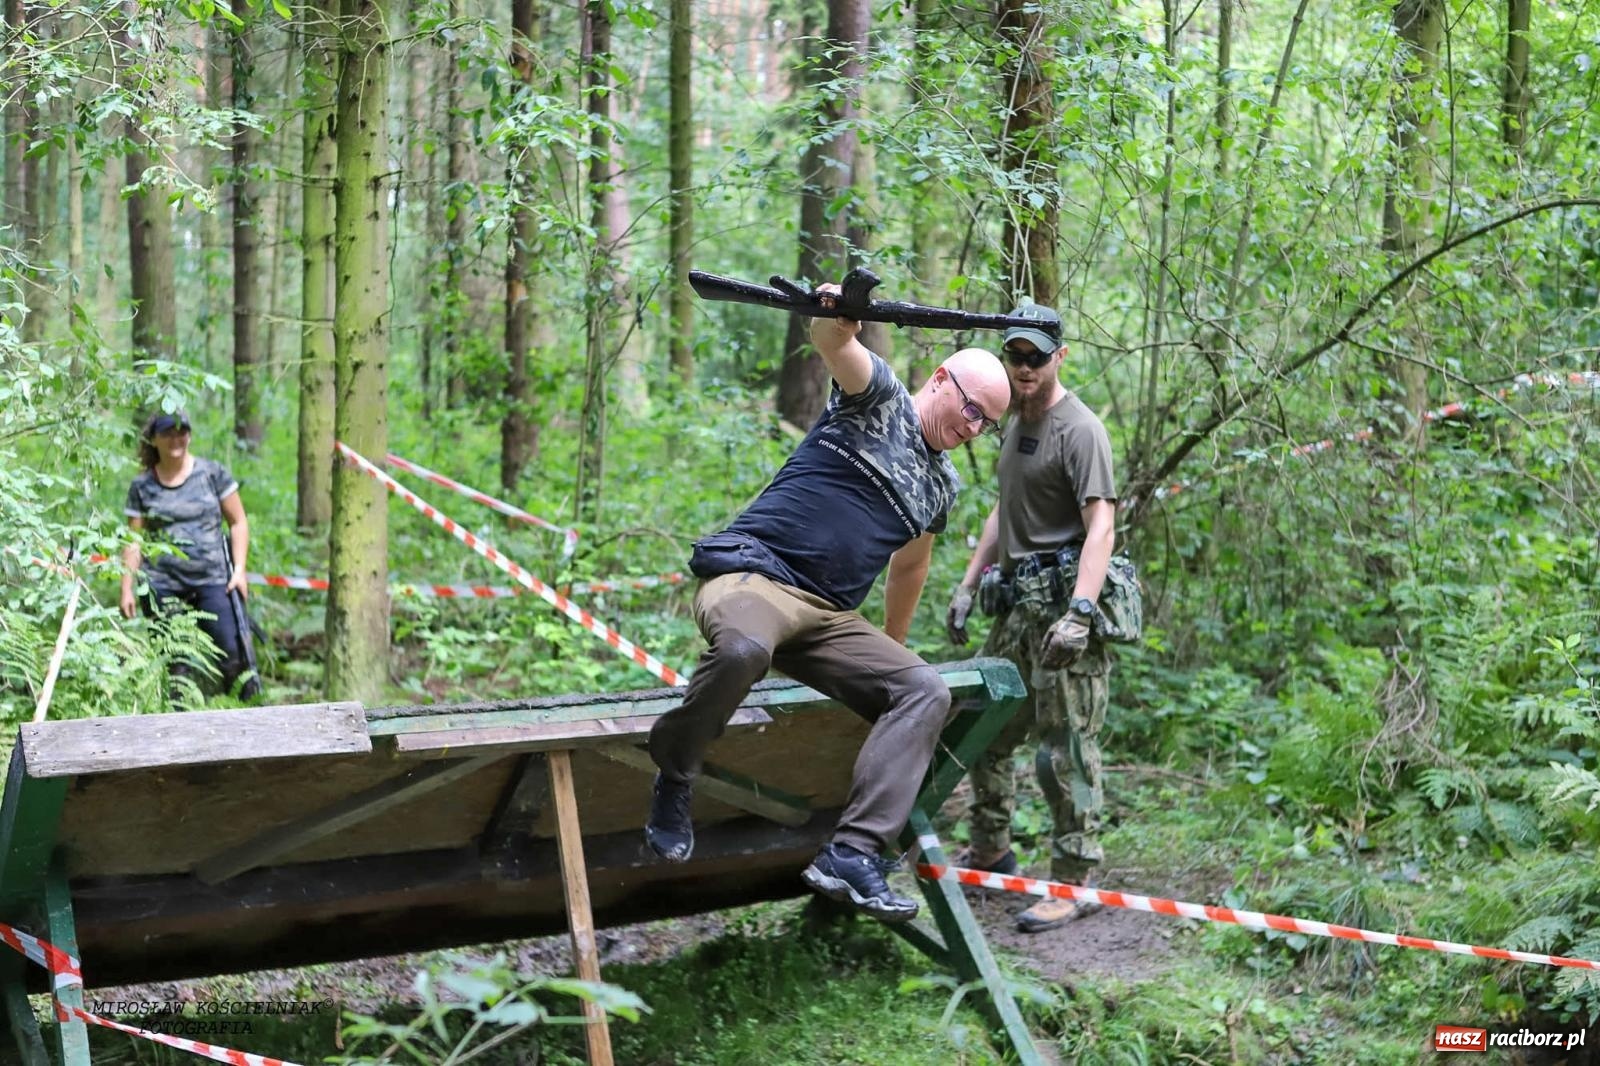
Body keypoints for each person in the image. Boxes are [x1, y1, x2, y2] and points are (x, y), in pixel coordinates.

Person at [645, 281, 1011, 923]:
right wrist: (836, 317)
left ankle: (853, 854)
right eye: (972, 408)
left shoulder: (941, 485)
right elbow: (834, 345)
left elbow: (913, 562)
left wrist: (893, 646)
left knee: (925, 690)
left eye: (988, 423)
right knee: (744, 649)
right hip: (755, 575)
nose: (973, 427)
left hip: (830, 618)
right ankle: (674, 775)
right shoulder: (880, 399)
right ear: (941, 378)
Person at [946, 303, 1118, 933]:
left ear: (1059, 359)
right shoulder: (1014, 420)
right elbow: (1004, 507)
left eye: (1034, 357)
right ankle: (992, 848)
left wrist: (1080, 610)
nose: (1022, 367)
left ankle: (1074, 880)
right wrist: (968, 583)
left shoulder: (1080, 430)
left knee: (1063, 752)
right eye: (1013, 355)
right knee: (984, 736)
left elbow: (1102, 523)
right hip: (1015, 608)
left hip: (1061, 616)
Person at [121, 411, 260, 700]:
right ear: (154, 439)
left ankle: (245, 717)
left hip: (214, 580)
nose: (176, 439)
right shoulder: (142, 486)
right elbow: (134, 540)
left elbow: (238, 522)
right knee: (175, 668)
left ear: (189, 435)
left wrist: (240, 571)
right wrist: (127, 588)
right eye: (168, 433)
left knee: (234, 656)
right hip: (162, 585)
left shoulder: (212, 473)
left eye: (181, 431)